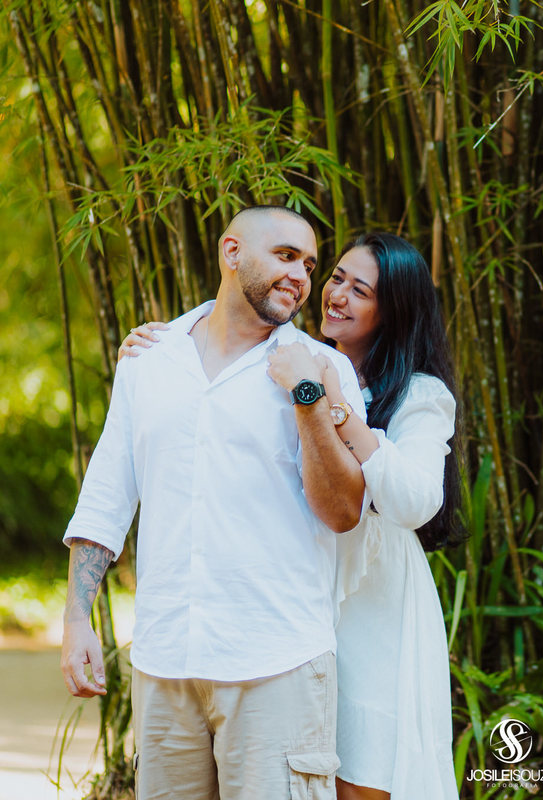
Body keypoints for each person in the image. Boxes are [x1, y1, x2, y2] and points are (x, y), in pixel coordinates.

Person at [120, 232, 462, 800]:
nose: (337, 295)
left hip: (371, 605)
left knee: (360, 778)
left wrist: (327, 397)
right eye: (336, 279)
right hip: (287, 607)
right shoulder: (273, 356)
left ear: (393, 310)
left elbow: (413, 502)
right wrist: (167, 345)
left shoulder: (417, 394)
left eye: (361, 290)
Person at [62, 205, 368, 800]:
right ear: (232, 253)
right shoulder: (150, 357)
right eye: (285, 256)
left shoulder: (322, 368)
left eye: (309, 264)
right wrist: (78, 618)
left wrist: (306, 396)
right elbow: (106, 495)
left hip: (277, 664)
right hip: (165, 659)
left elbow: (343, 511)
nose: (302, 277)